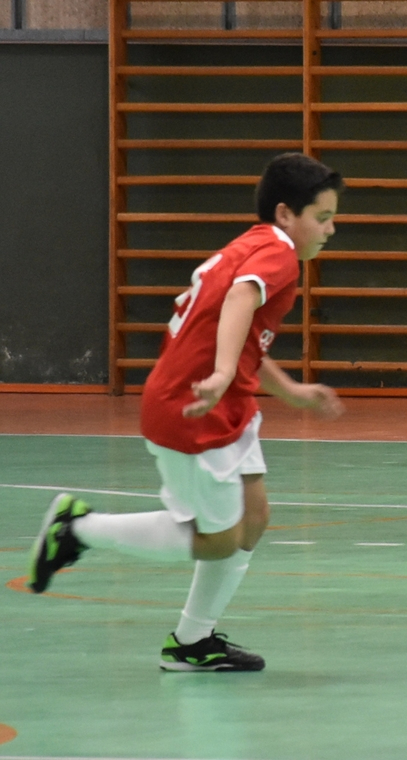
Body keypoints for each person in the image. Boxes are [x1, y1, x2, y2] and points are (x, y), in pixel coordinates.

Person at [27, 153, 346, 671]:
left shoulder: (252, 244)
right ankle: (76, 529)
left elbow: (242, 332)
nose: (331, 229)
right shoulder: (278, 253)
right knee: (217, 541)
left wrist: (288, 390)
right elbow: (241, 300)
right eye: (323, 217)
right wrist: (221, 374)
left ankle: (192, 643)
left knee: (254, 516)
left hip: (225, 402)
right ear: (286, 214)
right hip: (193, 407)